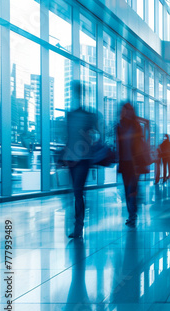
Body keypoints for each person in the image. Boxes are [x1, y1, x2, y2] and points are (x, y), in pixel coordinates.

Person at [64, 81, 99, 238]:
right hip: (72, 159)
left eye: (77, 92)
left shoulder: (89, 116)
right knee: (76, 192)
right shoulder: (70, 115)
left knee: (78, 192)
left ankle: (78, 226)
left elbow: (97, 135)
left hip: (82, 159)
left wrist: (88, 144)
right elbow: (68, 138)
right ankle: (78, 224)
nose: (75, 95)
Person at [117, 103, 143, 227]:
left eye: (127, 111)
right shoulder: (119, 126)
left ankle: (133, 215)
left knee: (131, 190)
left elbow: (139, 145)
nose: (125, 113)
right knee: (128, 191)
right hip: (124, 163)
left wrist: (139, 162)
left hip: (134, 163)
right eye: (124, 111)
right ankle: (131, 214)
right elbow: (119, 145)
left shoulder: (136, 126)